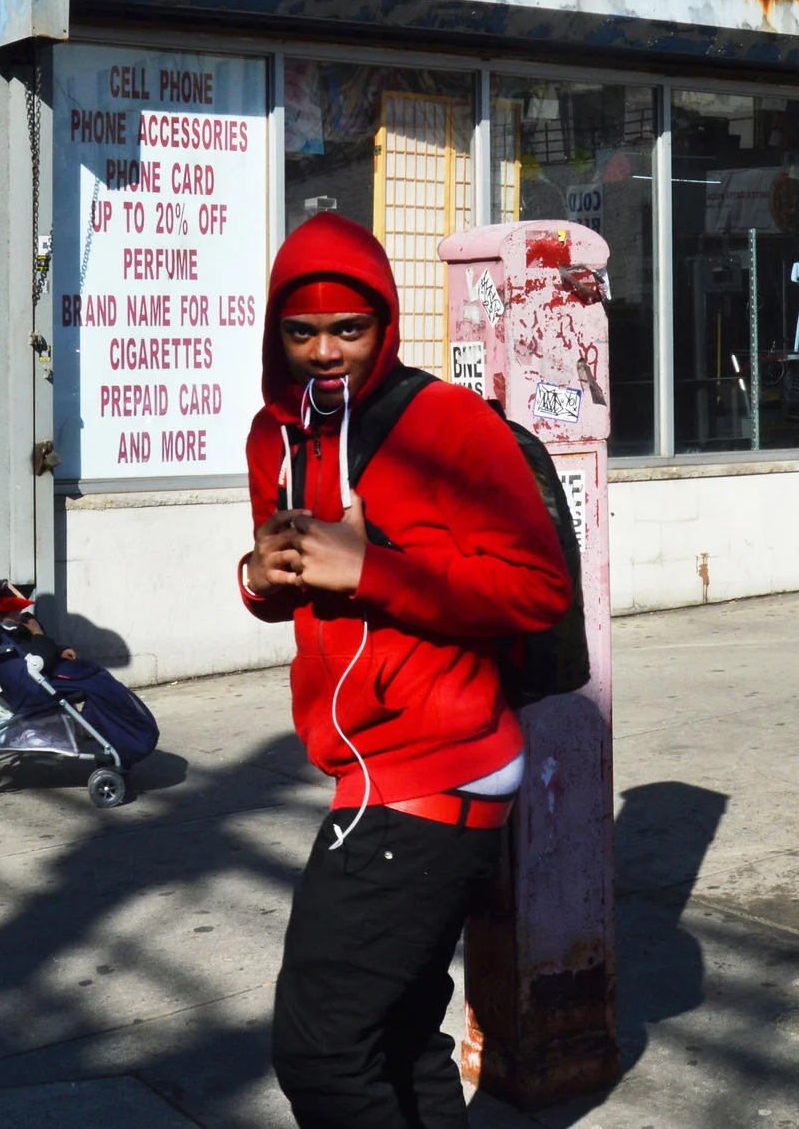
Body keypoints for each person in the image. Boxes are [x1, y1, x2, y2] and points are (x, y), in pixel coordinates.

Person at [240, 213, 570, 1128]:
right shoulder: (276, 438)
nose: (325, 353)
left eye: (348, 330)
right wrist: (259, 580)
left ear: (385, 323)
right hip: (365, 764)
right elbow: (286, 586)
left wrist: (371, 569)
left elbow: (538, 589)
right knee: (391, 1038)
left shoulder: (446, 424)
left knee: (319, 1052)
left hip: (439, 762)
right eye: (301, 333)